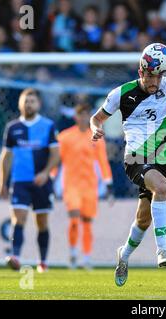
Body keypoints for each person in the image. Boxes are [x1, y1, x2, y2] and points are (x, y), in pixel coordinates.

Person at [90, 43, 166, 286]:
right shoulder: (121, 93)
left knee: (143, 219)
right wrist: (95, 129)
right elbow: (96, 118)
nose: (157, 81)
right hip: (135, 158)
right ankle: (162, 250)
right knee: (162, 188)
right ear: (141, 71)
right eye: (152, 75)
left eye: (161, 75)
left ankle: (124, 254)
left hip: (163, 159)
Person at [0, 88, 59, 273]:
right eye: (26, 100)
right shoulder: (12, 128)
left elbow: (56, 154)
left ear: (38, 104)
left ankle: (43, 262)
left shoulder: (48, 125)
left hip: (41, 182)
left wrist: (46, 172)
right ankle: (15, 256)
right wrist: (2, 181)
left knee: (41, 222)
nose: (29, 104)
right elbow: (5, 157)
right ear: (20, 104)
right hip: (20, 181)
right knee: (19, 218)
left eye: (32, 101)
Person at [57, 103, 114, 269]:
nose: (83, 118)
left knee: (87, 222)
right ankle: (73, 253)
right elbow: (56, 161)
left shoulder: (96, 137)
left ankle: (87, 257)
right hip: (71, 184)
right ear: (75, 117)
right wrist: (51, 179)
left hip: (89, 185)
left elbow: (103, 162)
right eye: (80, 115)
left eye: (86, 115)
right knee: (74, 218)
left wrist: (108, 185)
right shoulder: (65, 137)